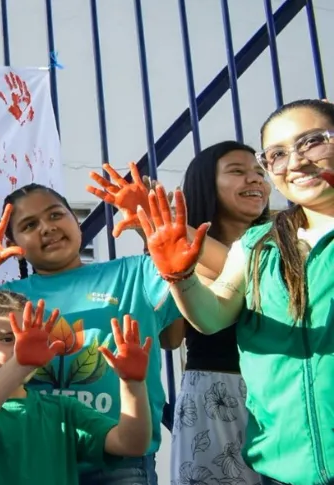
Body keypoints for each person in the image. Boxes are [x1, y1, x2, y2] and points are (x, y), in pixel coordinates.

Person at [144, 99, 334, 485]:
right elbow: (211, 316)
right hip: (282, 457)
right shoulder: (258, 244)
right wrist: (179, 276)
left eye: (312, 142)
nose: (296, 162)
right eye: (277, 154)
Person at [0, 187, 193, 484]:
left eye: (56, 215)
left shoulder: (135, 273)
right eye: (29, 225)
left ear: (76, 221)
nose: (47, 228)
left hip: (119, 460)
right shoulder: (7, 299)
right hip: (34, 460)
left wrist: (151, 231)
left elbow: (177, 326)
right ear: (13, 244)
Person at [0, 289, 153, 484]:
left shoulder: (63, 409)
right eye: (7, 339)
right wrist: (19, 364)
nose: (21, 348)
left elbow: (131, 444)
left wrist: (133, 385)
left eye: (31, 339)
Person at [169, 141, 268, 485]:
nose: (255, 180)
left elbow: (252, 274)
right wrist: (165, 260)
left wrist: (170, 227)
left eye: (259, 172)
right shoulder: (177, 247)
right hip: (212, 393)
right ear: (206, 184)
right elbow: (170, 338)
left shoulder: (281, 240)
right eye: (237, 171)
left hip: (279, 391)